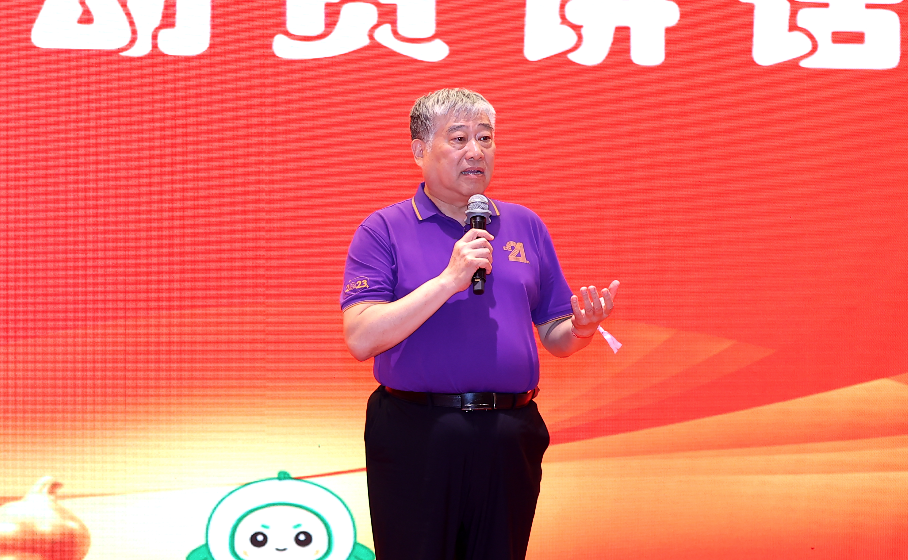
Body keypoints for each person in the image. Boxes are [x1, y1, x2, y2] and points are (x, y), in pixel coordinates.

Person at [340, 88, 619, 560]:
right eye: (459, 138)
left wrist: (582, 329)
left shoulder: (525, 225)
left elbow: (554, 334)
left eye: (485, 138)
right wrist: (449, 280)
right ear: (419, 151)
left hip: (510, 433)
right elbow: (361, 337)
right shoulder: (383, 229)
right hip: (416, 432)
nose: (476, 151)